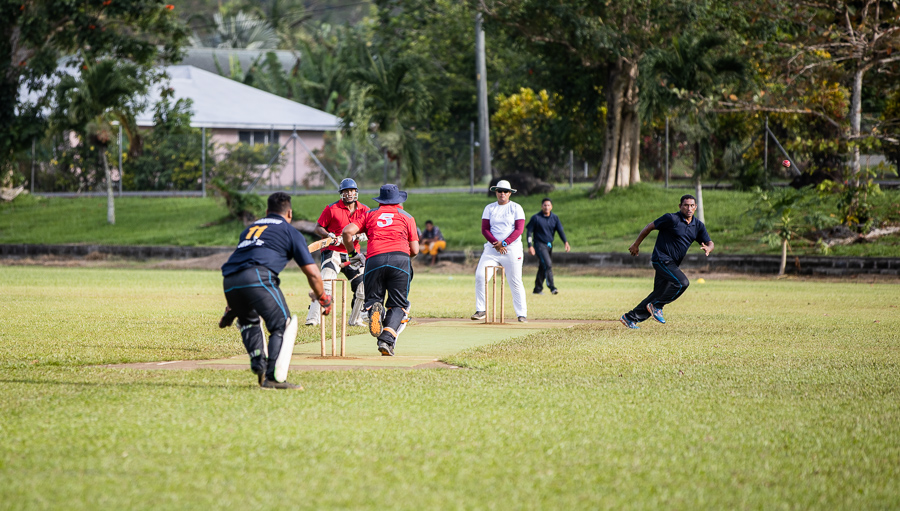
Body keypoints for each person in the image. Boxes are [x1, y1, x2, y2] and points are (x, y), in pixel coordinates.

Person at [219, 192, 331, 390]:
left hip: (230, 281)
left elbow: (242, 263)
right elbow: (313, 274)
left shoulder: (250, 229)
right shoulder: (290, 232)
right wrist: (323, 298)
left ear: (266, 211)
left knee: (249, 320)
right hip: (258, 278)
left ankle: (258, 363)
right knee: (283, 325)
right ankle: (273, 378)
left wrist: (231, 308)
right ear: (289, 213)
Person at [341, 184, 419, 356]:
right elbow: (415, 250)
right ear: (398, 202)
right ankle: (386, 339)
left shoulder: (369, 214)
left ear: (381, 201)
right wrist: (404, 259)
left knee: (373, 298)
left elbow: (347, 232)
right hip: (400, 260)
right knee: (398, 304)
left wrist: (353, 253)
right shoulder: (407, 216)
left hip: (375, 259)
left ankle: (374, 309)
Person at [619, 194, 714, 329]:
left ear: (696, 207)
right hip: (661, 259)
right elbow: (649, 227)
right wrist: (636, 244)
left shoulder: (697, 225)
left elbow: (709, 242)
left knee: (658, 293)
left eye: (692, 205)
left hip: (672, 264)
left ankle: (630, 318)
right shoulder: (671, 218)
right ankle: (657, 306)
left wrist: (709, 248)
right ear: (680, 206)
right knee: (682, 283)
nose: (689, 208)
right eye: (686, 205)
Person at [305, 178, 370, 327]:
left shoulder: (364, 209)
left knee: (363, 286)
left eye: (352, 191)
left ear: (356, 192)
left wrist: (363, 235)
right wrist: (329, 235)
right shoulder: (332, 208)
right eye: (346, 191)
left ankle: (355, 319)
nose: (349, 194)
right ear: (341, 193)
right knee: (326, 281)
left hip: (353, 252)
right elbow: (318, 227)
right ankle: (313, 318)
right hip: (333, 251)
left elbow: (370, 228)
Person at [471, 179, 528, 322]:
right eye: (499, 191)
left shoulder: (516, 208)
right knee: (480, 276)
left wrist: (504, 242)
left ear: (510, 193)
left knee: (515, 281)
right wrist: (495, 243)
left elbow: (519, 230)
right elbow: (485, 229)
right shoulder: (489, 208)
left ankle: (521, 314)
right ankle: (481, 310)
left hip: (512, 249)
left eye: (505, 191)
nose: (502, 194)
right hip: (492, 249)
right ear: (496, 192)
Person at [526, 198, 570, 295]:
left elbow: (560, 231)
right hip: (539, 245)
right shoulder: (536, 218)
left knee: (543, 266)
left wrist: (565, 242)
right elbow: (529, 232)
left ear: (551, 207)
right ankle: (552, 287)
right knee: (548, 264)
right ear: (542, 206)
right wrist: (530, 245)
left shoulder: (555, 218)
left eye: (548, 205)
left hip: (549, 245)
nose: (546, 207)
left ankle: (537, 289)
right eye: (545, 205)